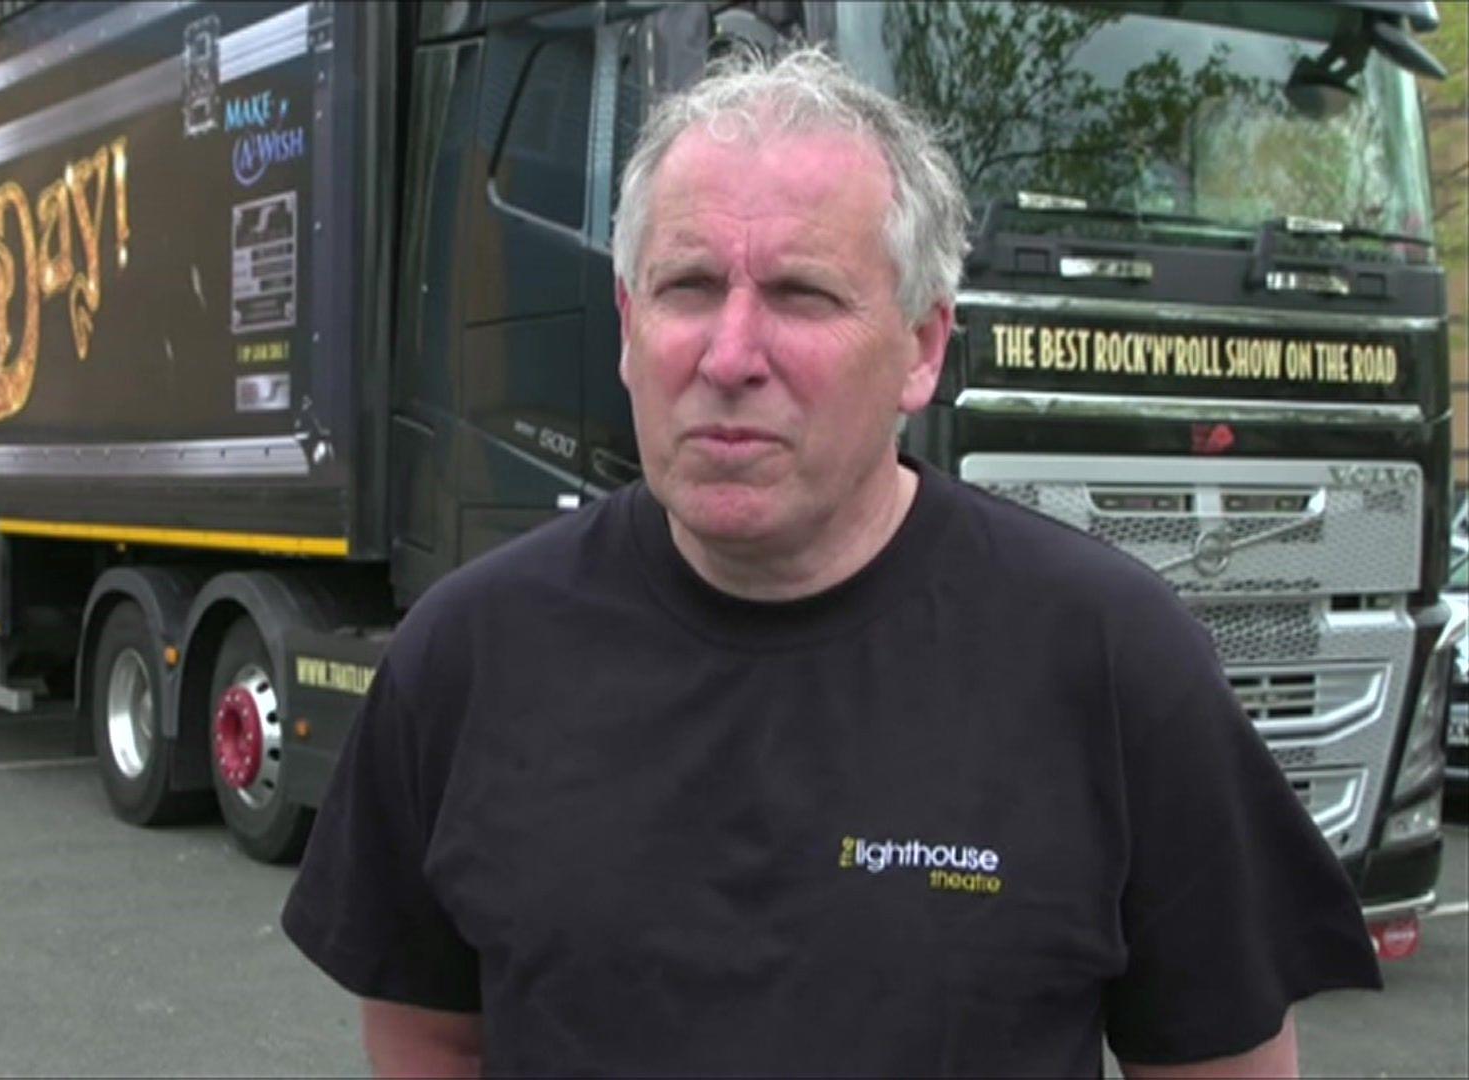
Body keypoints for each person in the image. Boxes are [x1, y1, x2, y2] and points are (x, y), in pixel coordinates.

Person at [282, 44, 1380, 1077]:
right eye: (688, 287)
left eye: (802, 296)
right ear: (626, 323)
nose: (729, 354)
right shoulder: (468, 658)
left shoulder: (1112, 664)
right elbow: (433, 1038)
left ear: (922, 347)